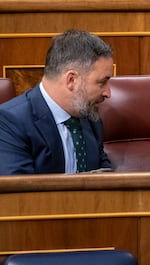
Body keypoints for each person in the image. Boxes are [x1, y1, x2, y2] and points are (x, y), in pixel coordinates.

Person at [0, 29, 113, 175]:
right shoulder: (10, 123)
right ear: (71, 80)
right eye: (102, 82)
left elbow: (106, 177)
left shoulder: (90, 118)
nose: (108, 93)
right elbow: (21, 193)